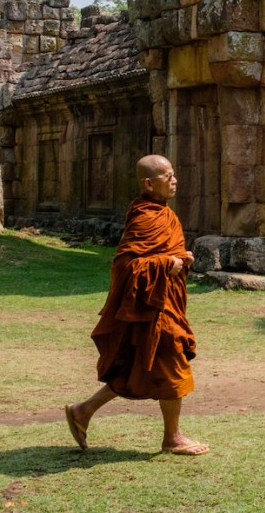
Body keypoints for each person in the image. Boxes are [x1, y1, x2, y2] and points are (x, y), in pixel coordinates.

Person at [64, 154, 207, 455]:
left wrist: (182, 260)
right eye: (167, 176)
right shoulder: (144, 216)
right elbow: (126, 266)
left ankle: (82, 411)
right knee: (174, 362)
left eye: (174, 174)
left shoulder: (165, 214)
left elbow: (166, 253)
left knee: (136, 369)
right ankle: (173, 438)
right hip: (153, 308)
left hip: (164, 301)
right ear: (148, 183)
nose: (174, 180)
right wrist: (166, 262)